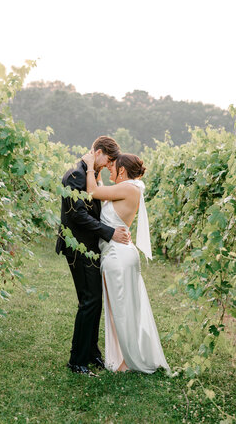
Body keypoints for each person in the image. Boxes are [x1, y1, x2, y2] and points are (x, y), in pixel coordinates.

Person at [82, 151, 170, 373]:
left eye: (112, 166)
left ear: (122, 170)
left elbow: (92, 191)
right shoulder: (128, 188)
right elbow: (101, 192)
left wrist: (91, 166)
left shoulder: (129, 187)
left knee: (123, 310)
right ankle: (125, 357)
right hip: (117, 254)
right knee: (120, 309)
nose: (109, 168)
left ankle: (129, 361)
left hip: (119, 257)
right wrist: (99, 172)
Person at [56, 136, 131, 376]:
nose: (108, 165)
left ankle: (91, 352)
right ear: (97, 152)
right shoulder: (76, 175)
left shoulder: (88, 175)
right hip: (78, 247)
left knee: (94, 301)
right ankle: (76, 361)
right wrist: (110, 233)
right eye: (108, 160)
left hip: (90, 247)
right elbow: (77, 215)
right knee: (89, 301)